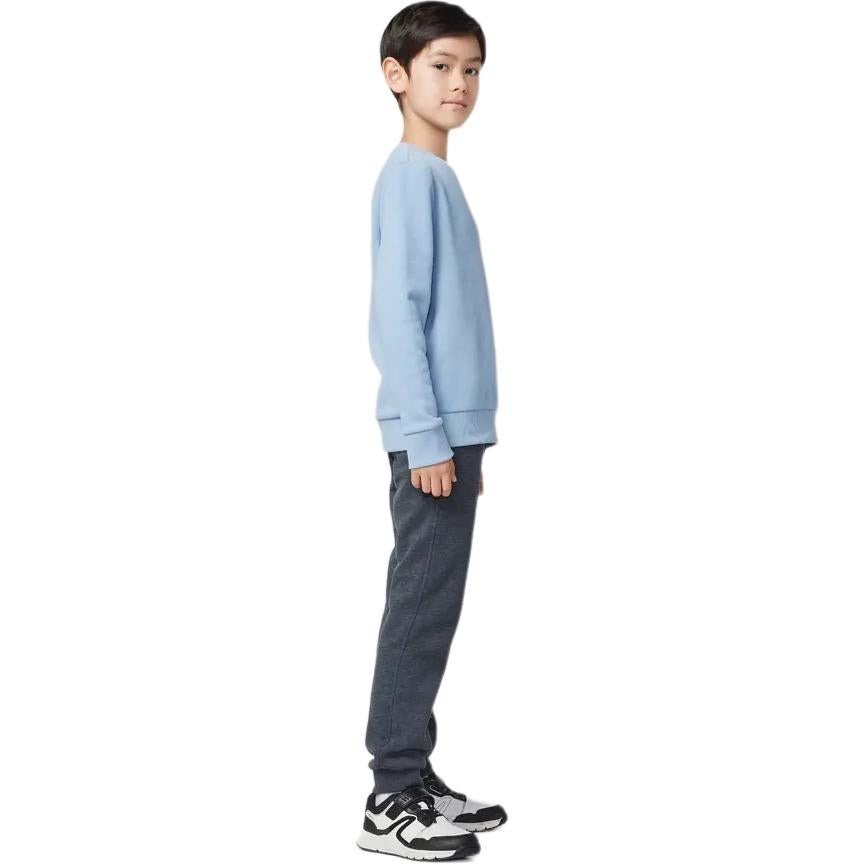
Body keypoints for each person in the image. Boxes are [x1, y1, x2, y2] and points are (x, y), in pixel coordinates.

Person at [357, 2, 508, 859]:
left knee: (433, 604)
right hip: (431, 432)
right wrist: (426, 435)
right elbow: (398, 315)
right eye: (441, 65)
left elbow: (454, 325)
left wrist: (463, 436)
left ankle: (413, 774)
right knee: (418, 606)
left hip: (451, 432)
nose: (459, 83)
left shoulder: (435, 177)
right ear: (396, 74)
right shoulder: (411, 175)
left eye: (472, 69)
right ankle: (389, 796)